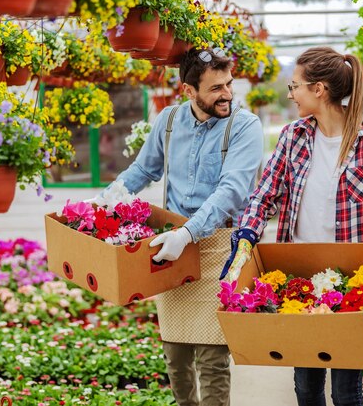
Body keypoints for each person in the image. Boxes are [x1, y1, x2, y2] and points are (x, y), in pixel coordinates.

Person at [220, 46, 363, 406]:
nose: (289, 94)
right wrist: (246, 241)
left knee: (346, 392)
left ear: (319, 90)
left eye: (295, 86)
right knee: (306, 387)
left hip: (350, 286)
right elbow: (263, 197)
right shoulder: (293, 137)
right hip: (299, 283)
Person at [106, 47, 263, 406]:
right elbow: (144, 169)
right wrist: (110, 195)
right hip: (172, 249)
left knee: (212, 357)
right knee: (175, 356)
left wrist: (187, 233)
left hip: (217, 247)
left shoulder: (245, 126)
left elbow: (231, 191)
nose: (226, 94)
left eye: (228, 84)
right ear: (188, 91)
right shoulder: (169, 120)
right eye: (215, 88)